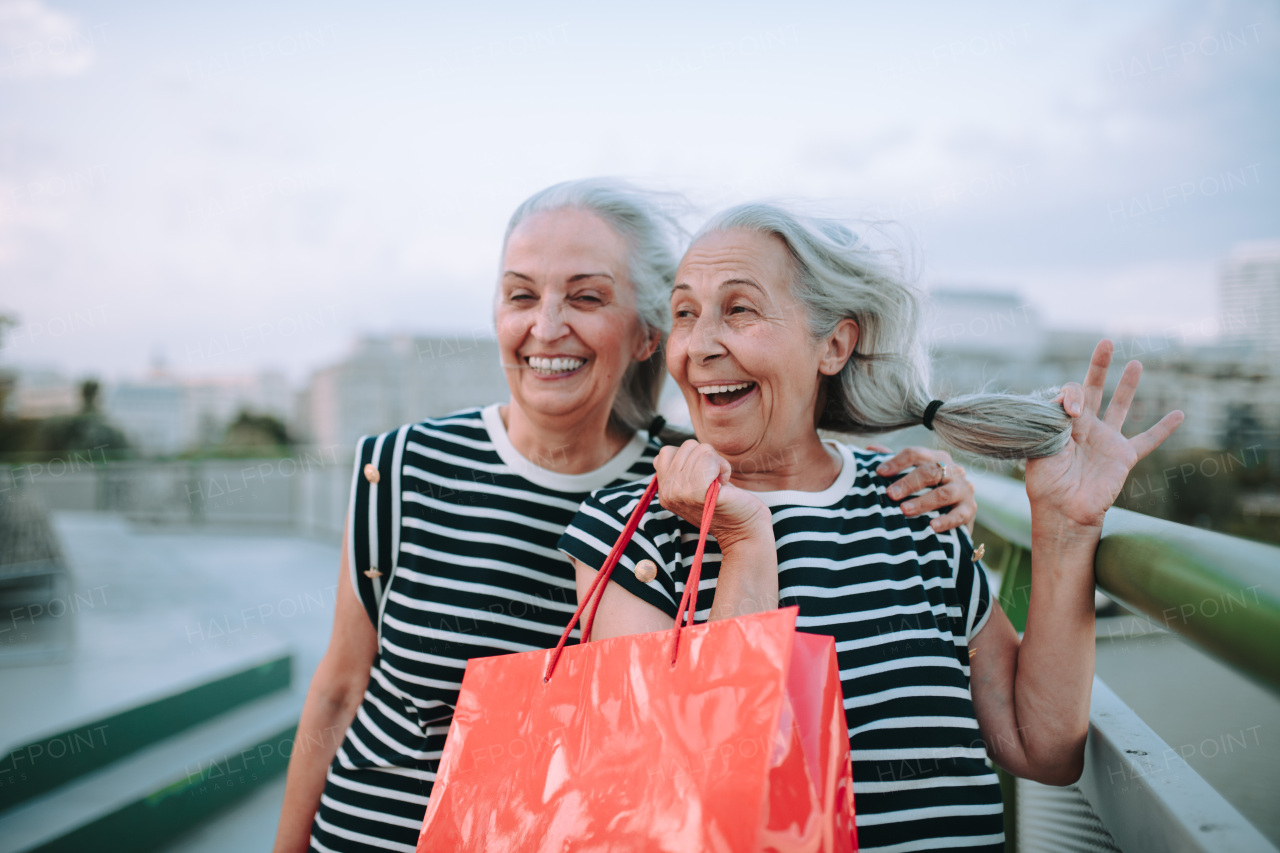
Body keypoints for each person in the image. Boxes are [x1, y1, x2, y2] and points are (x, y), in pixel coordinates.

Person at [272, 183, 974, 853]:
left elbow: (686, 753)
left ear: (646, 334)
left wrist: (935, 482)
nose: (546, 326)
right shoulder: (400, 466)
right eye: (520, 294)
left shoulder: (685, 488)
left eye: (585, 296)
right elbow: (338, 690)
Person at [561, 203, 1183, 852]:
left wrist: (1065, 527)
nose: (701, 344)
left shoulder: (914, 504)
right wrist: (745, 543)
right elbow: (689, 791)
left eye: (738, 309)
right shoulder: (628, 534)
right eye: (685, 312)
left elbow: (1040, 745)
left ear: (835, 343)